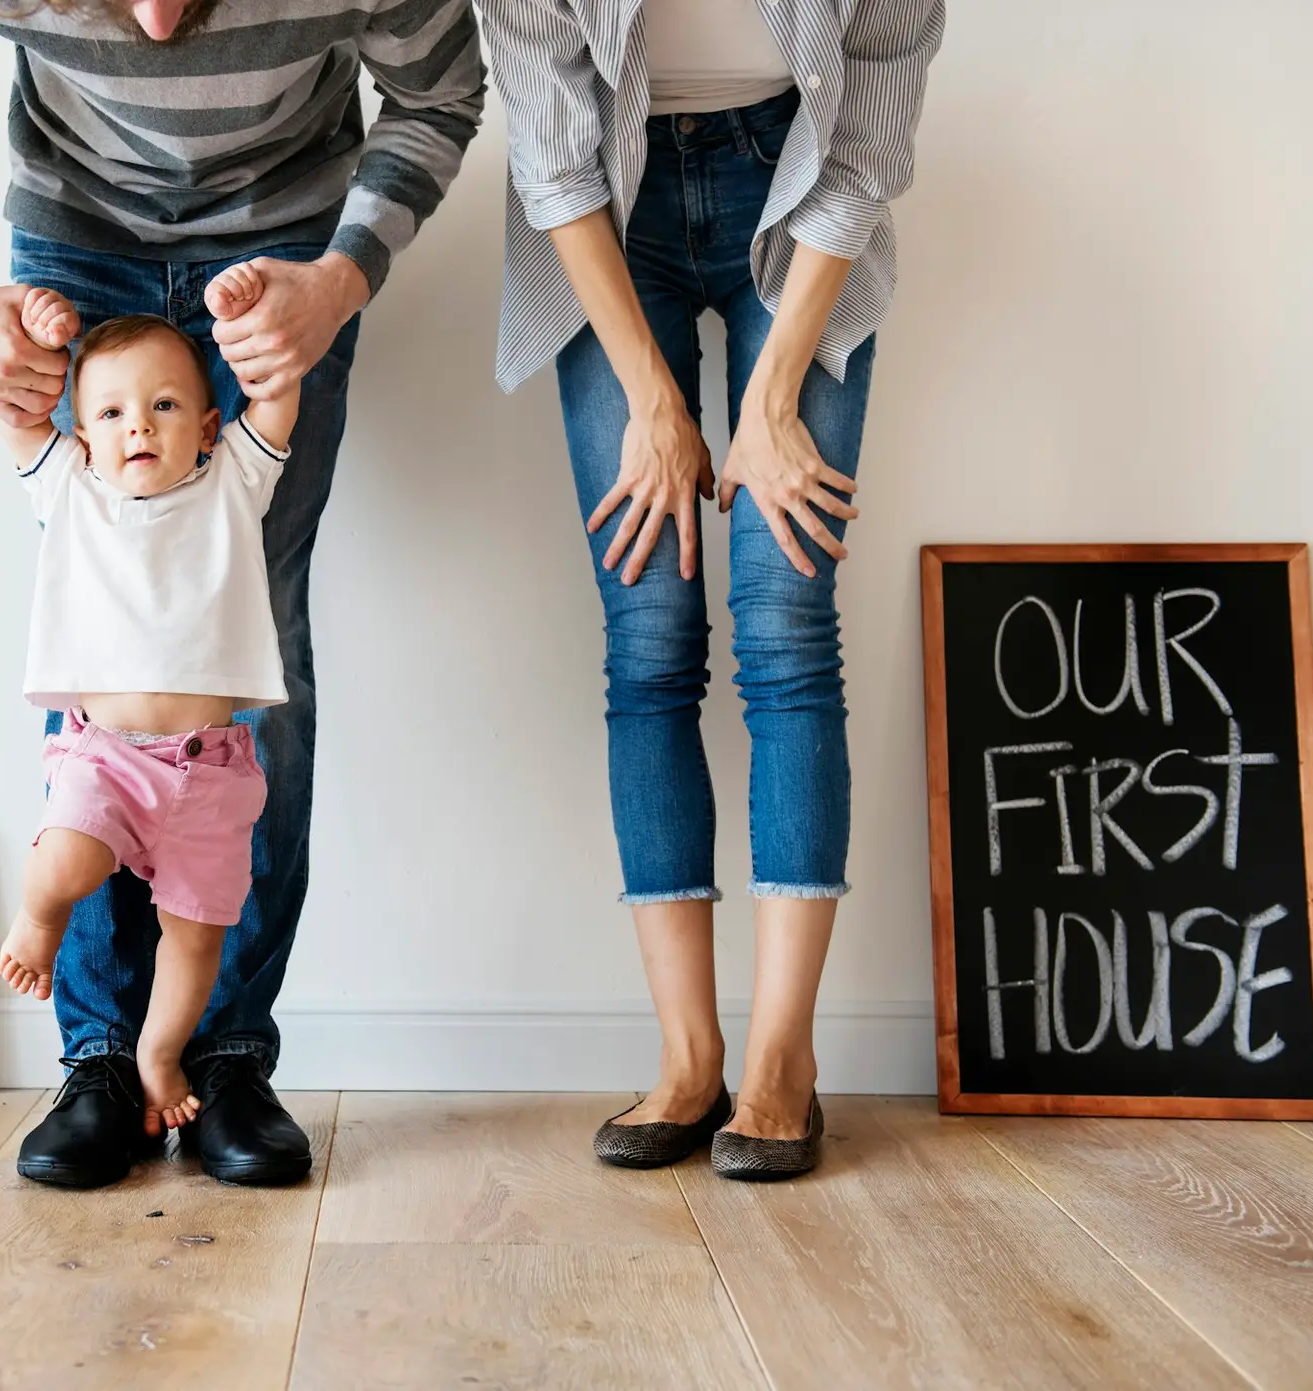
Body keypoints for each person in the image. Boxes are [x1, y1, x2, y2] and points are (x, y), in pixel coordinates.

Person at [0, 0, 484, 1187]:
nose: (160, 21)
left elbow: (442, 91)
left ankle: (222, 1052)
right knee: (99, 637)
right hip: (76, 242)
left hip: (285, 245)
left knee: (261, 635)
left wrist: (340, 279)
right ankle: (98, 1062)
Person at [479, 0, 942, 1177]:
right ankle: (690, 1058)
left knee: (788, 623)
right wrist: (652, 400)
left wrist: (773, 395)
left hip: (794, 190)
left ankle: (784, 1060)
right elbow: (551, 153)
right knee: (648, 634)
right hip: (606, 220)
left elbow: (870, 144)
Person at [0, 269, 296, 1170]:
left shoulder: (233, 484)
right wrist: (45, 341)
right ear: (82, 436)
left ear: (207, 428)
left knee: (196, 934)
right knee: (68, 853)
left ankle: (162, 1056)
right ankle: (42, 922)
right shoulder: (71, 490)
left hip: (211, 771)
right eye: (117, 413)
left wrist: (246, 321)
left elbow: (274, 398)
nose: (141, 426)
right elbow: (16, 414)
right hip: (106, 755)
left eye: (165, 406)